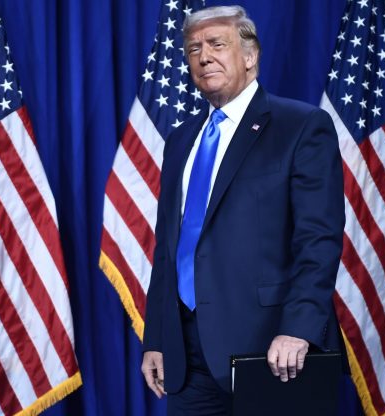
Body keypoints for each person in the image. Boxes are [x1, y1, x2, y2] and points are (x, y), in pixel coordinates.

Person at [141, 5, 345, 414]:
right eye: (194, 48)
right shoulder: (180, 140)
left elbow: (318, 240)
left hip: (271, 349)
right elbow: (169, 248)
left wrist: (298, 328)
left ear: (250, 56)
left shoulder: (301, 126)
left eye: (217, 44)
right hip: (187, 358)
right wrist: (158, 338)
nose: (204, 56)